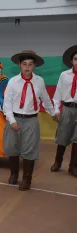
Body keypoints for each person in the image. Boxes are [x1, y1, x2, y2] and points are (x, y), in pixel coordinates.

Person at [3, 50, 57, 191]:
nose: (27, 67)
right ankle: (14, 174)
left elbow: (45, 99)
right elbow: (7, 103)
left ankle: (27, 179)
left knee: (29, 150)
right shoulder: (13, 82)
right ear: (19, 65)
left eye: (30, 64)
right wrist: (11, 120)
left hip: (31, 120)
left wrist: (53, 113)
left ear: (34, 66)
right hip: (14, 118)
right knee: (12, 148)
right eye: (24, 64)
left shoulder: (39, 81)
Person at [51, 45, 77, 177]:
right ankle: (58, 162)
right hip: (67, 109)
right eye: (76, 59)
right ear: (72, 61)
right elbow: (57, 95)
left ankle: (73, 166)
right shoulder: (64, 75)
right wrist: (56, 110)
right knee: (62, 137)